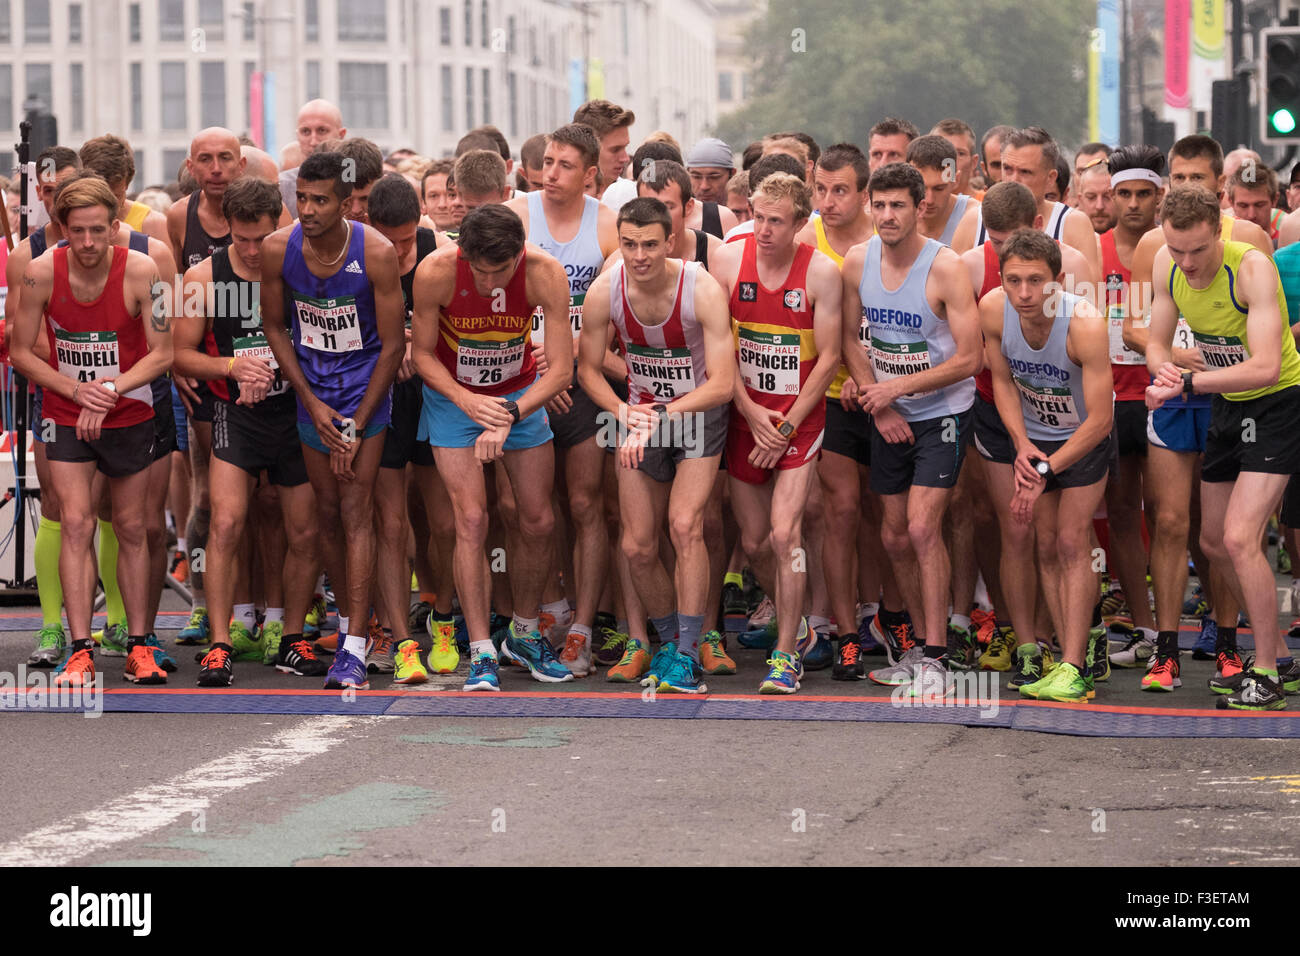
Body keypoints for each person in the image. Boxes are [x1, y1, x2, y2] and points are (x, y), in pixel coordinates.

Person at [9, 176, 173, 687]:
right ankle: (79, 650)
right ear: (61, 227)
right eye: (77, 231)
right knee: (76, 524)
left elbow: (165, 353)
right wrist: (77, 391)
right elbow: (17, 351)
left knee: (132, 526)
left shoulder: (145, 271)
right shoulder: (39, 274)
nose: (86, 243)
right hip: (65, 410)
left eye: (97, 231)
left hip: (130, 411)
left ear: (114, 227)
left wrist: (109, 390)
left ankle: (139, 645)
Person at [1145, 185, 1300, 709]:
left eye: (1198, 250)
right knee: (1212, 540)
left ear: (1218, 231)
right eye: (1177, 249)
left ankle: (1266, 673)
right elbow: (1155, 339)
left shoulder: (1250, 267)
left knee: (1239, 538)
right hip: (1229, 405)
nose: (1187, 262)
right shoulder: (1167, 266)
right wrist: (1162, 366)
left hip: (1278, 402)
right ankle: (1279, 654)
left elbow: (1266, 366)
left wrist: (1186, 384)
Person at [410, 204, 575, 691]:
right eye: (478, 272)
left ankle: (524, 633)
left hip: (520, 395)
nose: (487, 284)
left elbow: (562, 371)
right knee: (473, 519)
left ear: (519, 255)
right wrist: (467, 401)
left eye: (499, 272)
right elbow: (421, 353)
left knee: (538, 518)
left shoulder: (545, 273)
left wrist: (509, 414)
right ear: (463, 254)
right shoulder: (436, 272)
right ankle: (481, 648)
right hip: (454, 398)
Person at [260, 150, 406, 691]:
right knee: (325, 513)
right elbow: (276, 328)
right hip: (312, 395)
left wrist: (355, 422)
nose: (307, 209)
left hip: (365, 392)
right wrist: (313, 403)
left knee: (357, 508)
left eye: (320, 200)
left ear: (347, 204)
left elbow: (393, 346)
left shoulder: (377, 252)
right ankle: (349, 623)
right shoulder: (280, 248)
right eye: (301, 197)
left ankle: (354, 649)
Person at [576, 197, 736, 688]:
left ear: (671, 242)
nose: (639, 255)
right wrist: (624, 412)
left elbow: (723, 384)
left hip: (693, 413)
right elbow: (587, 368)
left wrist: (660, 416)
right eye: (629, 244)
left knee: (686, 525)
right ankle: (668, 643)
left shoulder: (701, 287)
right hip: (637, 412)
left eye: (649, 244)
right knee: (638, 544)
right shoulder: (605, 290)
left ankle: (688, 652)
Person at [172, 176, 325, 686]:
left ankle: (291, 635)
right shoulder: (201, 278)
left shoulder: (301, 267)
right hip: (234, 416)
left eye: (264, 238)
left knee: (303, 528)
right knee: (225, 522)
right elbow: (179, 352)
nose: (255, 250)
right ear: (228, 233)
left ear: (279, 226)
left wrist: (286, 373)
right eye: (242, 240)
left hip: (294, 413)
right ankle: (220, 642)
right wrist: (232, 368)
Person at [842, 162, 981, 696]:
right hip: (889, 415)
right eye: (878, 205)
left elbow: (971, 357)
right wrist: (878, 402)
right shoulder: (859, 261)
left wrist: (896, 390)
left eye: (898, 205)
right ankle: (917, 649)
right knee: (893, 534)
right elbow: (851, 338)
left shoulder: (945, 268)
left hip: (943, 411)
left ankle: (939, 658)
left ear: (921, 207)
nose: (886, 215)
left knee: (924, 528)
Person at [709, 172, 843, 694]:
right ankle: (802, 622)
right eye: (756, 217)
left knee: (787, 533)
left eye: (775, 221)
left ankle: (785, 654)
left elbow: (830, 358)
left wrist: (785, 426)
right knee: (755, 541)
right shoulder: (726, 260)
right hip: (746, 417)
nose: (762, 230)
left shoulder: (822, 274)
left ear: (800, 224)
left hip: (798, 420)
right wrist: (749, 410)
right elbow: (720, 352)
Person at [981, 228, 1114, 701]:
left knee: (1071, 538)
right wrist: (1020, 444)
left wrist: (1045, 469)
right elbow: (1002, 381)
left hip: (1083, 438)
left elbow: (1101, 420)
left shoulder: (1085, 324)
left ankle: (1075, 668)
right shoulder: (994, 310)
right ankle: (1064, 654)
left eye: (1035, 281)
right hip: (1036, 437)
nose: (1024, 293)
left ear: (1058, 281)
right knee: (1042, 543)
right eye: (1013, 280)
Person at [505, 124, 620, 659]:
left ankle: (583, 624)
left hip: (583, 383)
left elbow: (616, 311)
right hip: (526, 376)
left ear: (590, 174)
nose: (549, 174)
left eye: (564, 165)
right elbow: (498, 299)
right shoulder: (519, 214)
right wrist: (539, 362)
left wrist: (570, 355)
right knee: (530, 507)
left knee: (585, 503)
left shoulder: (609, 225)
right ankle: (545, 607)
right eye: (547, 162)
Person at [279, 99, 347, 216]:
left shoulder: (358, 181)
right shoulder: (282, 188)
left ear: (341, 134)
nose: (313, 141)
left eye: (322, 130)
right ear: (297, 136)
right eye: (305, 131)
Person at [686, 137, 736, 205]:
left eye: (714, 177)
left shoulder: (745, 213)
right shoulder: (677, 213)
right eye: (696, 177)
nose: (704, 186)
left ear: (732, 175)